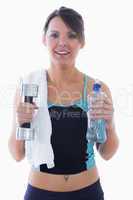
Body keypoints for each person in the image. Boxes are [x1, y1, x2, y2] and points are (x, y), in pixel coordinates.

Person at [8, 6, 119, 200]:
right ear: (44, 39)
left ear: (81, 42)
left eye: (72, 35)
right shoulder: (28, 88)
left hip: (88, 192)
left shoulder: (97, 90)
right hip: (40, 193)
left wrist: (109, 124)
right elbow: (17, 154)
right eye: (54, 35)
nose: (62, 43)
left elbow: (107, 153)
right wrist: (21, 121)